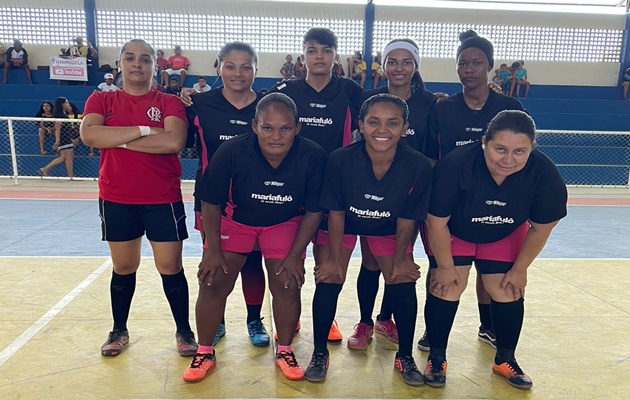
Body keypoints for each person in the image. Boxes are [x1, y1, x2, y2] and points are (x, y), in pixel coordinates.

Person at [183, 93, 327, 383]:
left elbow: (314, 210)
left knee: (288, 281)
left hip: (284, 222)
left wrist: (295, 255)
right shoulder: (232, 151)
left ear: (297, 127)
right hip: (236, 220)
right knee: (212, 280)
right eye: (268, 127)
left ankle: (284, 350)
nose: (276, 135)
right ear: (254, 126)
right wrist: (212, 248)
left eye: (285, 128)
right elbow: (210, 201)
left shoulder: (313, 155)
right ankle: (205, 351)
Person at [422, 110, 567, 389]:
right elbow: (436, 223)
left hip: (505, 231)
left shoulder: (543, 174)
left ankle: (505, 358)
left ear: (531, 149)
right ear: (484, 141)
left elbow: (541, 228)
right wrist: (445, 266)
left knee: (506, 287)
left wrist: (519, 270)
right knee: (447, 285)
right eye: (500, 149)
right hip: (454, 230)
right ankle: (437, 357)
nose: (508, 160)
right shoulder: (455, 165)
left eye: (519, 151)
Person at [79, 38, 197, 358]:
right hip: (117, 197)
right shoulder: (101, 99)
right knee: (124, 266)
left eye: (144, 59)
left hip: (162, 197)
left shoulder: (168, 102)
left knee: (170, 266)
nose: (136, 64)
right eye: (129, 58)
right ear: (119, 64)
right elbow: (90, 135)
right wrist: (147, 131)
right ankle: (119, 330)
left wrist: (117, 139)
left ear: (154, 66)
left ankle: (184, 331)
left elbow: (173, 143)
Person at [305, 94, 432, 385]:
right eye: (373, 122)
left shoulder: (418, 164)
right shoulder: (340, 159)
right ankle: (319, 352)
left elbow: (407, 219)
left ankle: (405, 356)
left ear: (404, 127)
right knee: (330, 277)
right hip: (344, 223)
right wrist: (335, 260)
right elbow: (335, 213)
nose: (382, 129)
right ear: (361, 125)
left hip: (388, 226)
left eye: (392, 123)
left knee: (402, 279)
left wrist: (401, 259)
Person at [420, 30, 525, 352]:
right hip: (454, 206)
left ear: (490, 66)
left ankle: (488, 324)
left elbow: (519, 151)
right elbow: (431, 158)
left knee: (491, 269)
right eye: (462, 63)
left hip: (497, 204)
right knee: (443, 268)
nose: (469, 69)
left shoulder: (509, 106)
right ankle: (432, 332)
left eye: (476, 63)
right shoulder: (442, 109)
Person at [268, 27, 363, 343]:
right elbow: (252, 107)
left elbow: (389, 107)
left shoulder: (349, 91)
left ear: (335, 55)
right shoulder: (287, 90)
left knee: (328, 261)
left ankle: (327, 317)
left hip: (335, 188)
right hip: (292, 189)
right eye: (311, 50)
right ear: (303, 55)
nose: (318, 56)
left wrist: (432, 99)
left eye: (325, 50)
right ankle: (290, 317)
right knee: (290, 258)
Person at [347, 39, 439, 350]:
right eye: (393, 61)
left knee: (399, 258)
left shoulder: (431, 104)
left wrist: (411, 170)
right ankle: (365, 321)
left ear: (415, 66)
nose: (399, 68)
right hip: (371, 192)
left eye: (406, 62)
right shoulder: (367, 97)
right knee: (370, 259)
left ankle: (386, 317)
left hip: (411, 197)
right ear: (383, 65)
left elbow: (433, 153)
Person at [182, 41, 270, 348]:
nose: (238, 73)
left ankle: (254, 320)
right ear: (219, 68)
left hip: (255, 201)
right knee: (214, 262)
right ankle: (215, 321)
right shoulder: (199, 104)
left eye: (246, 67)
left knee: (252, 263)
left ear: (256, 71)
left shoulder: (267, 106)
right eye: (230, 66)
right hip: (212, 201)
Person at [38, 97, 80, 178]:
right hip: (65, 139)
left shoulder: (62, 114)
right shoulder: (60, 115)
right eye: (66, 103)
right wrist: (57, 141)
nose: (68, 104)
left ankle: (45, 169)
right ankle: (70, 176)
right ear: (62, 104)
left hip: (65, 138)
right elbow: (58, 128)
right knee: (68, 158)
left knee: (64, 158)